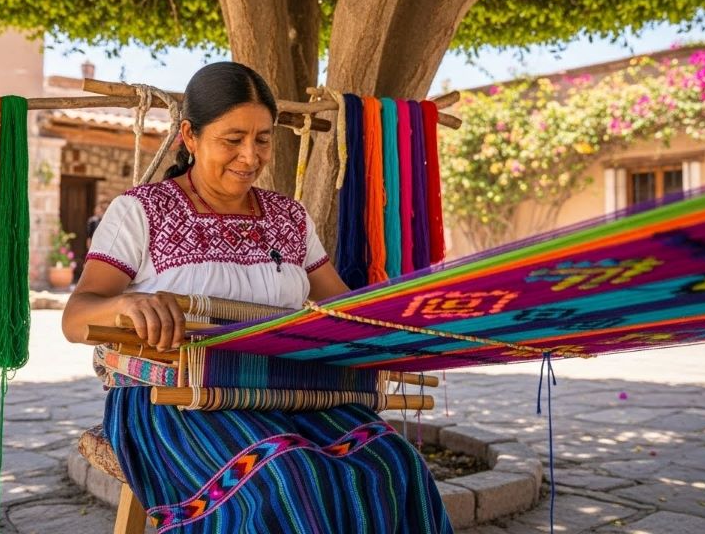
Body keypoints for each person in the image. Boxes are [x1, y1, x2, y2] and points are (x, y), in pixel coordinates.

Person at [62, 62, 451, 532]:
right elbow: (76, 316)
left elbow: (344, 310)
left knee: (395, 464)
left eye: (262, 139)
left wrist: (423, 318)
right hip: (176, 401)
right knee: (285, 479)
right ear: (189, 135)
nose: (250, 156)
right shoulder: (141, 211)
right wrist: (127, 305)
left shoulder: (289, 218)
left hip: (285, 393)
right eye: (232, 139)